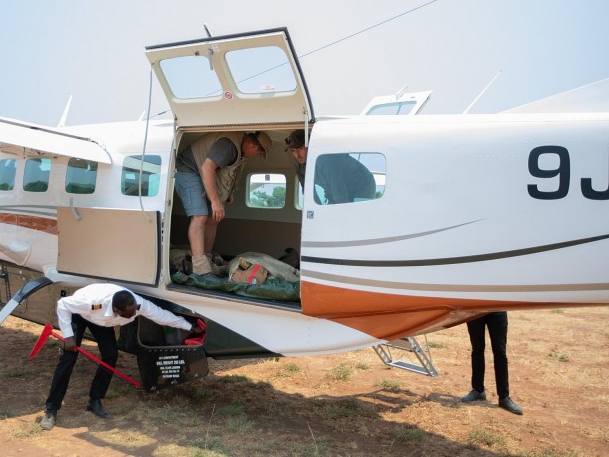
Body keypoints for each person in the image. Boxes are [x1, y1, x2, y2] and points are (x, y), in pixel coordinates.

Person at [40, 283, 204, 430]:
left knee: (111, 355)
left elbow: (161, 316)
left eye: (135, 310)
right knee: (69, 359)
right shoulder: (94, 302)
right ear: (117, 310)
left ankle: (94, 400)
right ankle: (51, 410)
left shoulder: (137, 305)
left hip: (103, 323)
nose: (134, 314)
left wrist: (190, 326)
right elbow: (63, 305)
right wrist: (68, 335)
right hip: (80, 314)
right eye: (130, 313)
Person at [175, 131, 272, 279]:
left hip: (201, 173)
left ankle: (206, 259)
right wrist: (215, 201)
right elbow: (207, 168)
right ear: (254, 146)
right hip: (188, 169)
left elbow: (230, 174)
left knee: (213, 218)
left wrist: (228, 195)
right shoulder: (229, 146)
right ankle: (200, 269)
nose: (257, 156)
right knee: (200, 217)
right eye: (259, 153)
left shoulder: (241, 152)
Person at [285, 129, 376, 204]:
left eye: (300, 149)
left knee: (354, 216)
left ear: (310, 147)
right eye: (293, 150)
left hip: (361, 185)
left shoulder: (326, 160)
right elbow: (307, 189)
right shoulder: (298, 163)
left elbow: (339, 194)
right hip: (332, 187)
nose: (297, 155)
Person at [459, 311, 523, 415]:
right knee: (477, 350)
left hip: (497, 309)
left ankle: (504, 397)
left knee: (500, 353)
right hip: (475, 309)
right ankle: (478, 390)